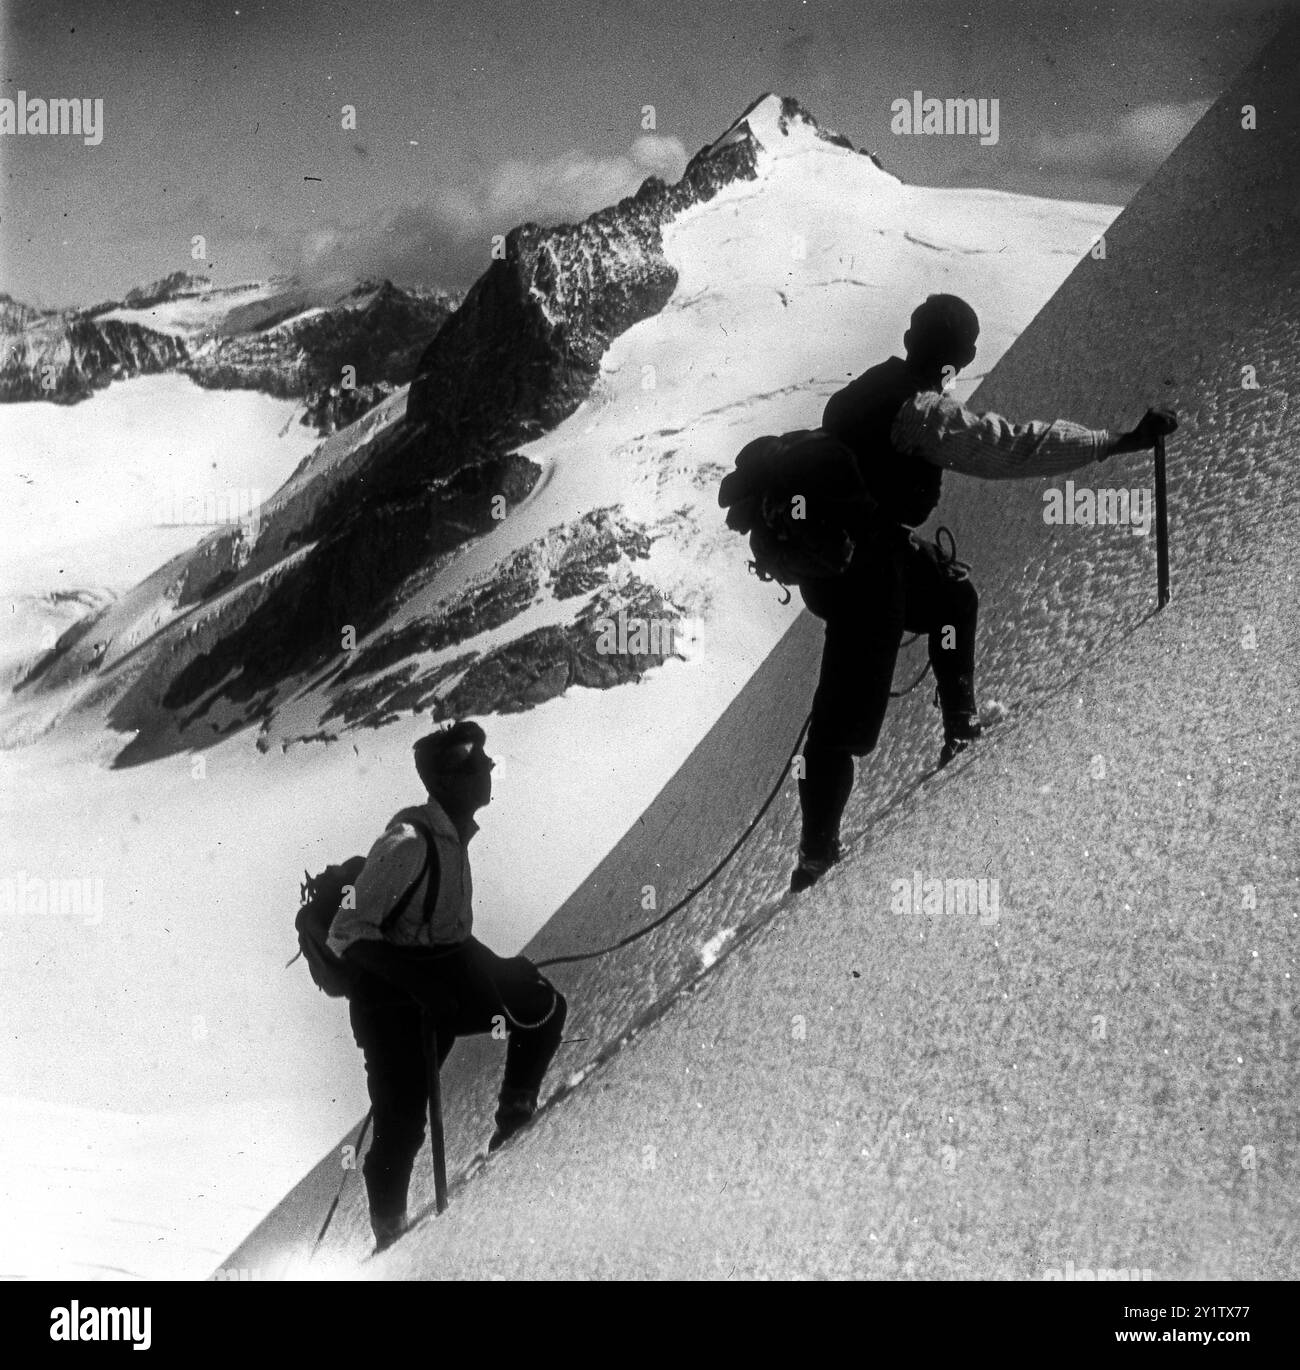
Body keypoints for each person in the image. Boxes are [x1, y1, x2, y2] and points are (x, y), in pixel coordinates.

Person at [791, 293, 1177, 893]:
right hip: (865, 573)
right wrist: (1116, 441)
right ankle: (816, 859)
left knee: (951, 599)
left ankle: (959, 726)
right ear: (954, 355)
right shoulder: (918, 411)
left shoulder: (872, 386)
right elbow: (1008, 447)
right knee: (844, 721)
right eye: (965, 352)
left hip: (842, 561)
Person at [327, 720, 568, 1250]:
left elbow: (445, 933)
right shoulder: (408, 842)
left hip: (441, 977)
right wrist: (424, 985)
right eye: (472, 761)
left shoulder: (452, 834)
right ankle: (391, 1236)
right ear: (445, 781)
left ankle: (514, 1121)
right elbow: (346, 932)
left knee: (540, 1006)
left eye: (482, 757)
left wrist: (497, 971)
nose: (487, 766)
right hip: (389, 1005)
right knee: (403, 1122)